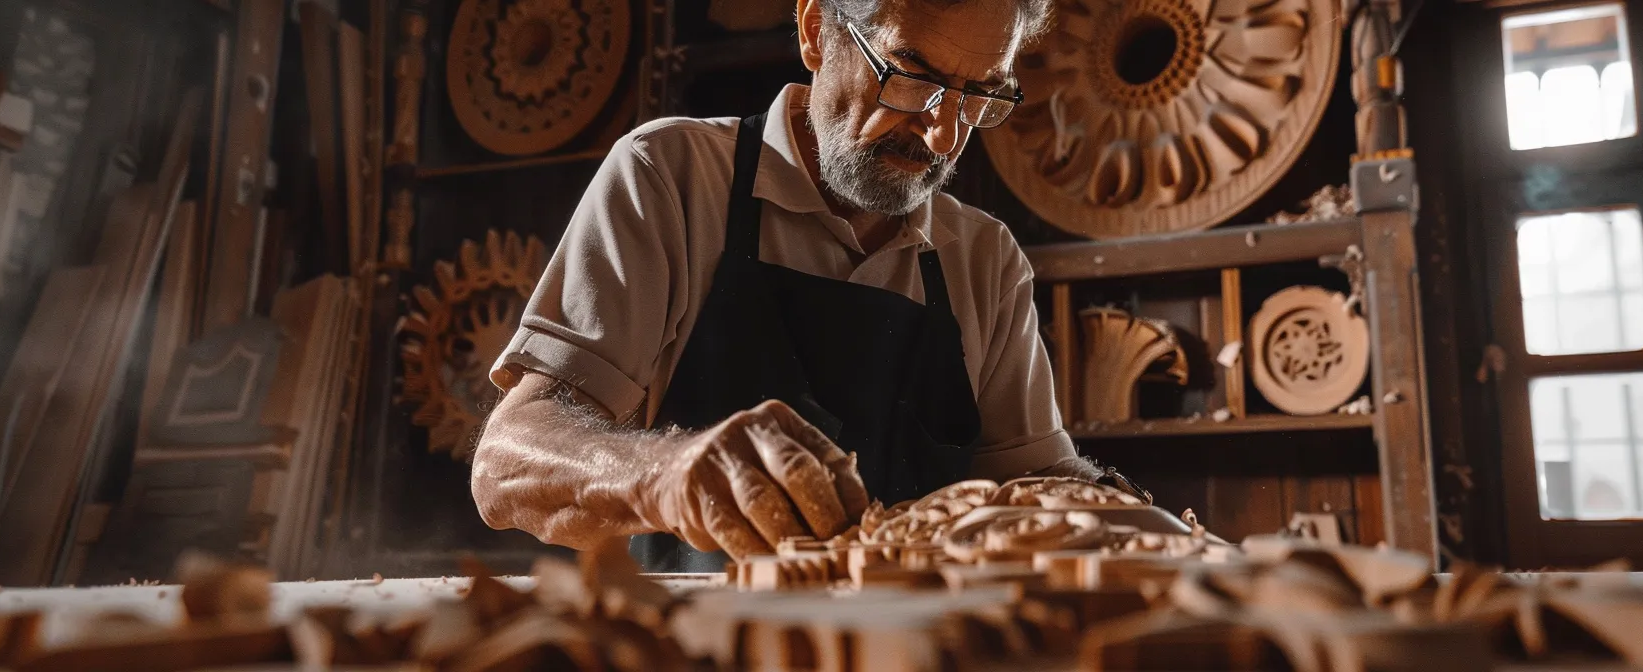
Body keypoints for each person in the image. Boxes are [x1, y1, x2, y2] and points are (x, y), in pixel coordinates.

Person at [470, 0, 1146, 572]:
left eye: (979, 95)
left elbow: (1041, 485)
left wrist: (1143, 525)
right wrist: (664, 474)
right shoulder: (671, 177)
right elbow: (505, 465)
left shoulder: (985, 259)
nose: (943, 135)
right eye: (911, 76)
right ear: (817, 30)